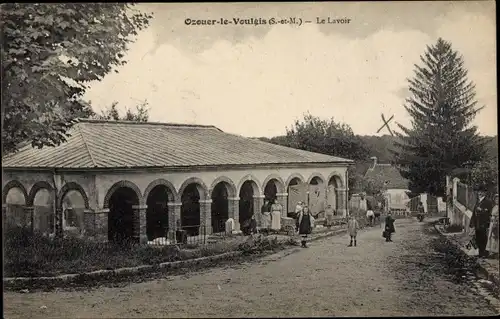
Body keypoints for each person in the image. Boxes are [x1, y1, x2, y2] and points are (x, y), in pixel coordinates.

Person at [469, 189, 494, 258]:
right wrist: (471, 222)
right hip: (477, 222)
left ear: (485, 193)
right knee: (478, 237)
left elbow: (490, 212)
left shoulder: (488, 202)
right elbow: (474, 212)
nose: (480, 193)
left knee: (484, 238)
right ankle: (480, 253)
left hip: (484, 222)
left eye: (481, 192)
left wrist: (482, 210)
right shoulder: (478, 201)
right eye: (479, 192)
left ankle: (484, 253)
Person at [486, 194, 499, 258]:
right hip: (492, 223)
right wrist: (491, 218)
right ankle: (493, 251)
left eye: (498, 199)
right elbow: (492, 214)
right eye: (496, 199)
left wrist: (496, 221)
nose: (497, 200)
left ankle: (496, 252)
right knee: (491, 236)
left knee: (496, 237)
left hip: (496, 223)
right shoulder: (494, 207)